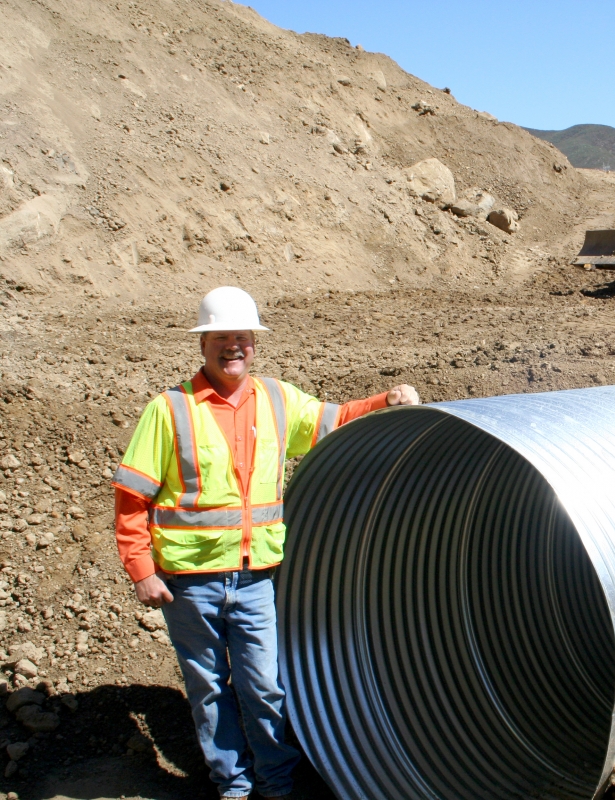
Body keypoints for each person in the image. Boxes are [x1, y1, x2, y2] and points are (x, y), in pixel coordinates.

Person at [111, 286, 420, 800]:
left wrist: (383, 402)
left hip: (256, 578)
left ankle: (276, 783)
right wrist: (141, 570)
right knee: (208, 689)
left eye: (242, 337)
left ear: (254, 342)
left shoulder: (278, 399)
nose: (233, 346)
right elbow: (131, 497)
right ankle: (233, 785)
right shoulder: (169, 410)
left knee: (265, 685)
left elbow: (331, 422)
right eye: (221, 337)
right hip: (190, 584)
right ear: (203, 343)